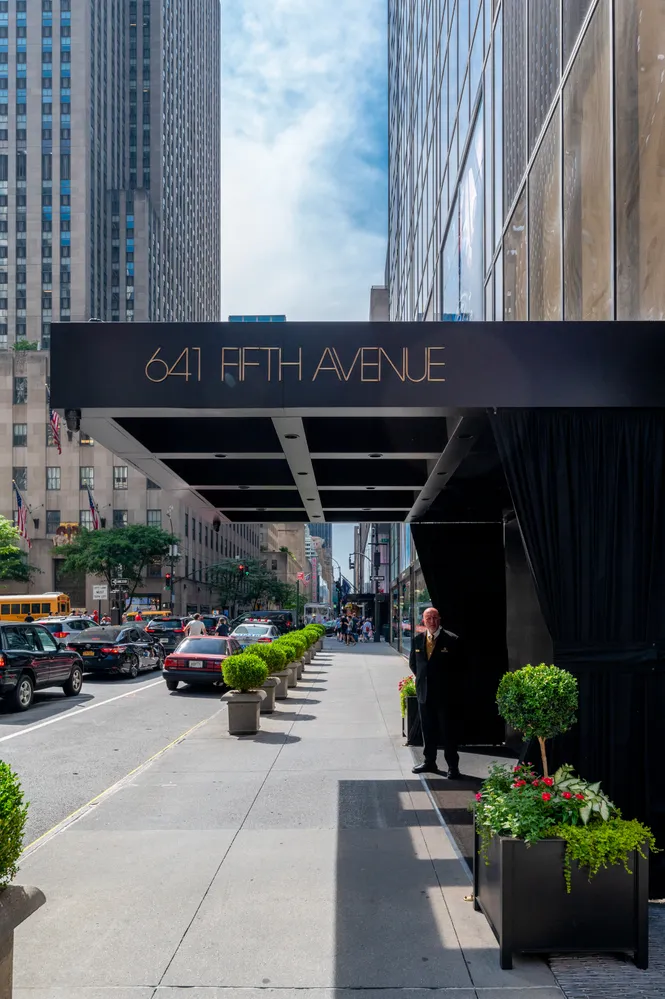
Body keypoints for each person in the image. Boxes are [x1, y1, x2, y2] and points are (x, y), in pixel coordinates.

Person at [409, 606, 463, 779]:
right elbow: (414, 664)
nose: (432, 621)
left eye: (434, 618)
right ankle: (429, 761)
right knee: (427, 729)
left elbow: (460, 668)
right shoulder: (417, 640)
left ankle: (453, 767)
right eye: (428, 618)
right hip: (424, 694)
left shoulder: (452, 640)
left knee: (448, 731)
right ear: (423, 621)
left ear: (439, 619)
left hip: (445, 695)